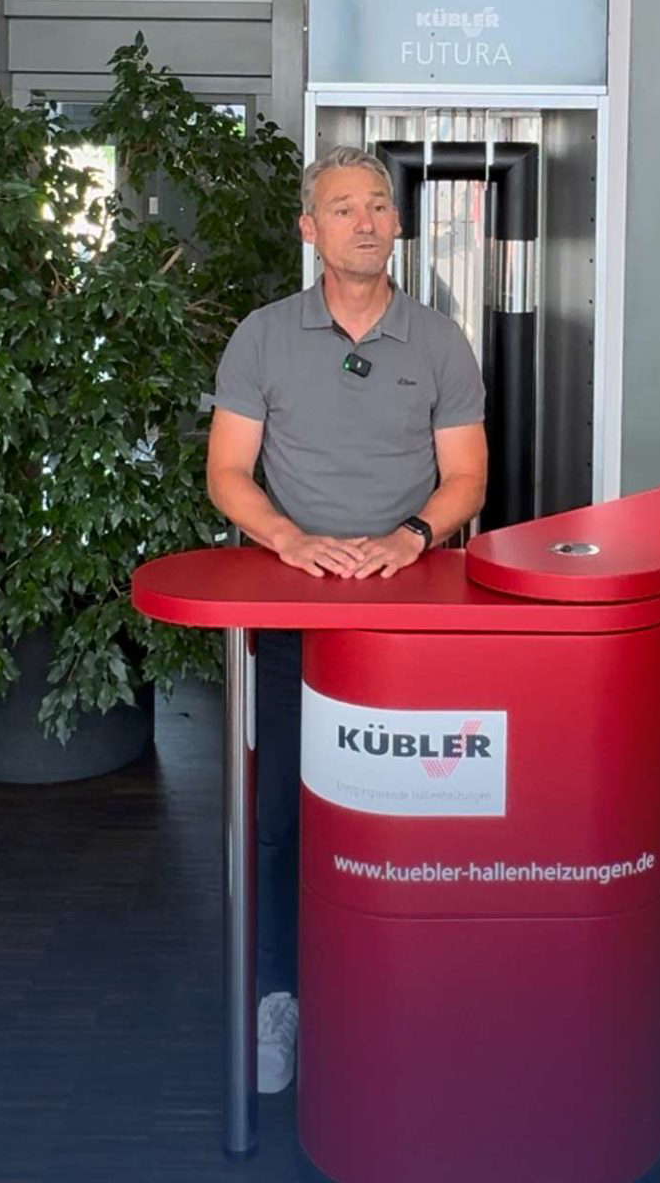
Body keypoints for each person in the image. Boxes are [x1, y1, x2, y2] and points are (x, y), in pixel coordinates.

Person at [206, 145, 489, 1093]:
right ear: (310, 229)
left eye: (378, 205)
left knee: (420, 813)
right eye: (342, 208)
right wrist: (288, 541)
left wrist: (412, 538)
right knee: (287, 814)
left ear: (398, 224)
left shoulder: (442, 342)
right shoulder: (261, 337)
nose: (364, 221)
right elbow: (228, 474)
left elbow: (466, 480)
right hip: (295, 614)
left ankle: (420, 990)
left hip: (417, 617)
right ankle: (281, 995)